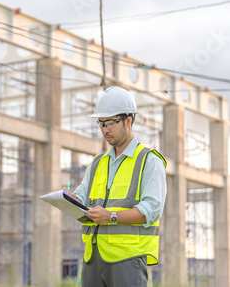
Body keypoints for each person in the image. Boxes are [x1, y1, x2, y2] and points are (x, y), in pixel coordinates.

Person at [69, 86, 167, 287]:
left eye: (111, 123)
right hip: (93, 258)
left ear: (128, 121)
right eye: (101, 123)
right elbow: (82, 197)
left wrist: (111, 217)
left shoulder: (148, 160)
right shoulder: (97, 163)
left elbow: (152, 210)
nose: (105, 129)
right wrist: (69, 200)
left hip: (127, 259)